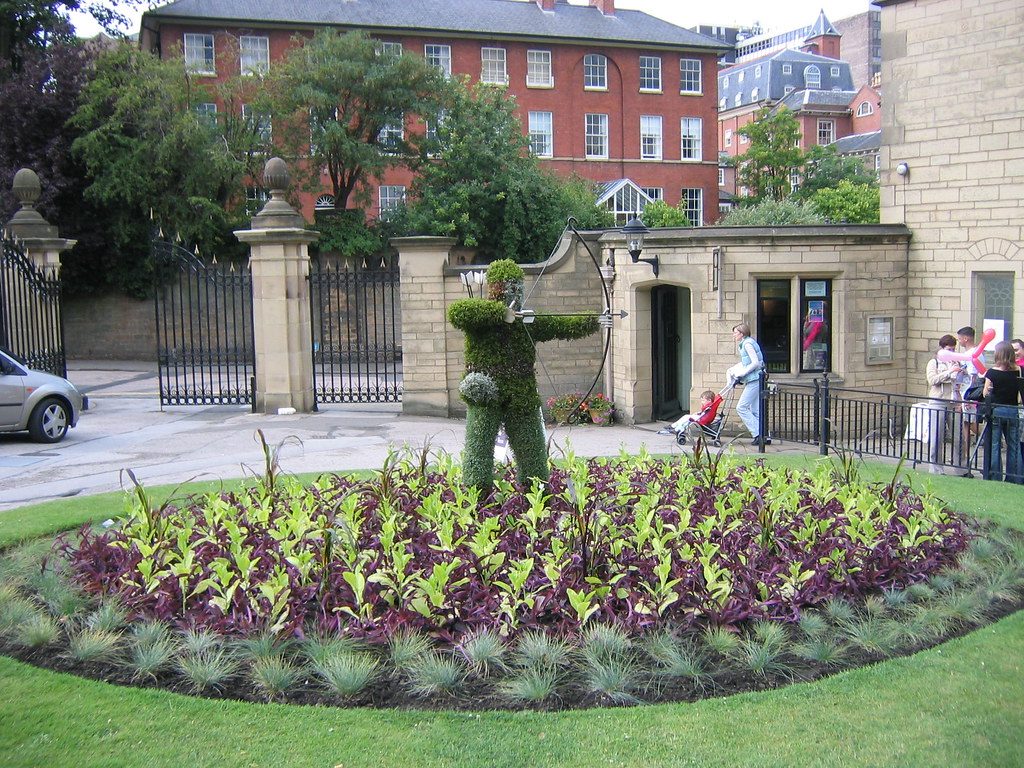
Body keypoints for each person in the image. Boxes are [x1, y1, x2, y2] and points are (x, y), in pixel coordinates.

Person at [981, 340, 1022, 483]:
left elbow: (986, 393)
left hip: (997, 410)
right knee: (1013, 446)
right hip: (1012, 410)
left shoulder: (992, 372)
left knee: (995, 445)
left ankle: (995, 476)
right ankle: (1015, 477)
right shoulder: (1018, 371)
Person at [727, 323, 769, 445]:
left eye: (735, 332)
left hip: (755, 379)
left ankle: (758, 434)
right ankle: (765, 435)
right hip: (756, 378)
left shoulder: (748, 344)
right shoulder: (747, 343)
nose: (733, 334)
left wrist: (742, 373)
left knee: (741, 407)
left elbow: (755, 363)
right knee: (755, 409)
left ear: (742, 333)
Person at [923, 334, 960, 473]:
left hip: (954, 400)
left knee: (958, 436)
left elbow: (962, 379)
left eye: (953, 350)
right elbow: (932, 380)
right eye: (949, 350)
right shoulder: (934, 362)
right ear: (942, 348)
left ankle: (960, 468)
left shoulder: (956, 361)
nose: (952, 353)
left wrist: (961, 372)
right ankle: (936, 468)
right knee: (937, 436)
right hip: (938, 400)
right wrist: (949, 373)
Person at [953, 326, 986, 470]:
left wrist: (968, 397)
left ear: (966, 338)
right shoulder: (969, 353)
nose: (959, 341)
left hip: (970, 395)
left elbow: (974, 376)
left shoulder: (974, 353)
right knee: (965, 423)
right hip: (965, 394)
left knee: (968, 423)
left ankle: (984, 437)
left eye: (960, 338)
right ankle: (964, 455)